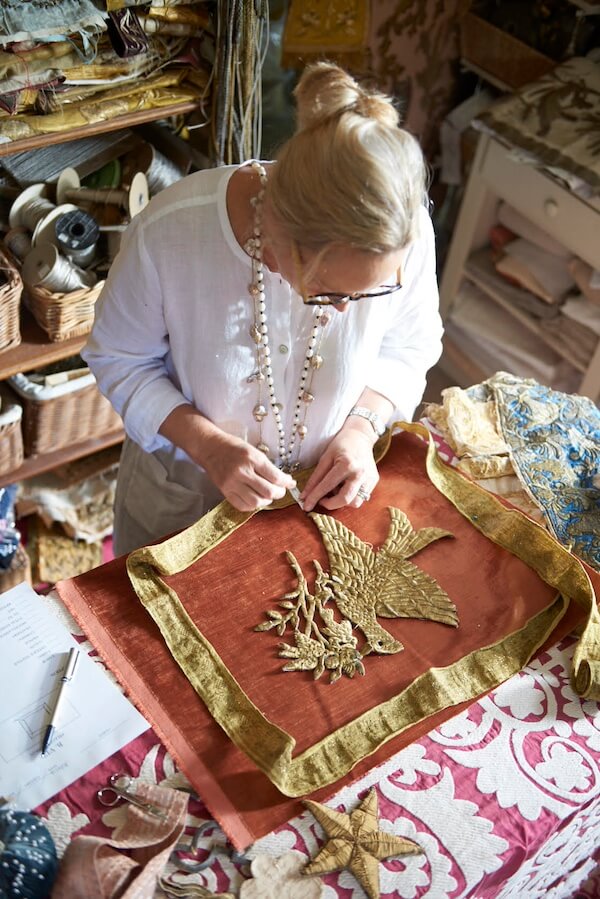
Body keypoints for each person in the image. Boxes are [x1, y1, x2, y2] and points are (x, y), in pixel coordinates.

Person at [82, 61, 443, 556]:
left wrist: (362, 429)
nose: (343, 313)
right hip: (184, 502)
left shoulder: (404, 231)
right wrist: (208, 446)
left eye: (370, 294)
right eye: (328, 293)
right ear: (277, 238)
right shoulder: (170, 234)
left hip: (321, 504)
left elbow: (409, 344)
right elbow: (120, 361)